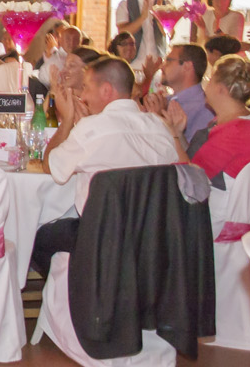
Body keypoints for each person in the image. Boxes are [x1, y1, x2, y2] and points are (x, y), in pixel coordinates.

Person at [29, 56, 181, 277]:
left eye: (87, 88)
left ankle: (78, 282)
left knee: (36, 237)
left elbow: (51, 166)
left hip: (101, 235)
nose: (83, 96)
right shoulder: (159, 127)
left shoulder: (92, 129)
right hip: (152, 235)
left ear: (107, 90)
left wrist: (69, 119)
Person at [152, 56, 250, 185]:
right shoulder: (246, 119)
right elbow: (196, 159)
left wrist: (173, 136)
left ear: (221, 89)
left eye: (210, 80)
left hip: (213, 196)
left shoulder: (233, 133)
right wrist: (178, 134)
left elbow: (193, 180)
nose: (206, 86)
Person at [149, 44, 215, 147]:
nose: (162, 67)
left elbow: (191, 154)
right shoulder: (165, 101)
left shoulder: (204, 108)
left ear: (187, 66)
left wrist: (158, 119)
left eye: (168, 61)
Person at [115, 0, 170, 69]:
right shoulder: (125, 5)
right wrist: (142, 18)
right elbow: (122, 32)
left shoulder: (164, 4)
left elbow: (169, 34)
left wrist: (159, 17)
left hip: (158, 63)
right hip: (133, 64)